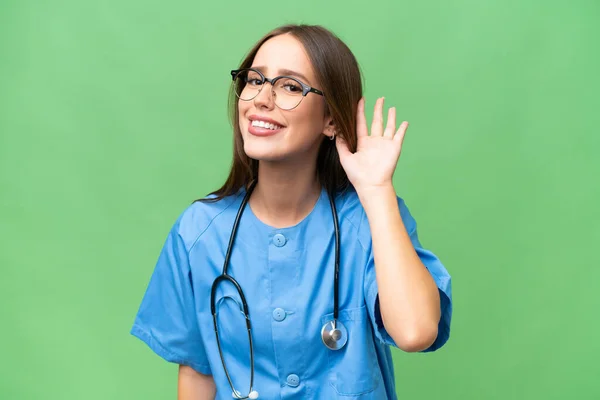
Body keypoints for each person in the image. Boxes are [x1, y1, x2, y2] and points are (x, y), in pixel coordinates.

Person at [130, 24, 452, 400]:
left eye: (290, 86)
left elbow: (416, 331)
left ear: (331, 120)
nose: (262, 99)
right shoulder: (199, 232)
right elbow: (199, 372)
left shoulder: (370, 221)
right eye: (254, 80)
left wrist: (377, 189)